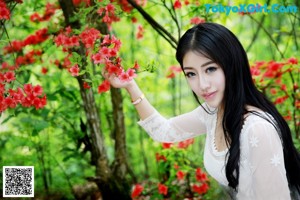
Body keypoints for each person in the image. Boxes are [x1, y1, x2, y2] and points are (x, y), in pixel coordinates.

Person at [104, 22, 300, 199]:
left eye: (210, 69)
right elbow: (163, 131)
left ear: (231, 64)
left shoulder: (257, 129)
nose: (202, 85)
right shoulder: (213, 112)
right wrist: (130, 85)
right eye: (191, 74)